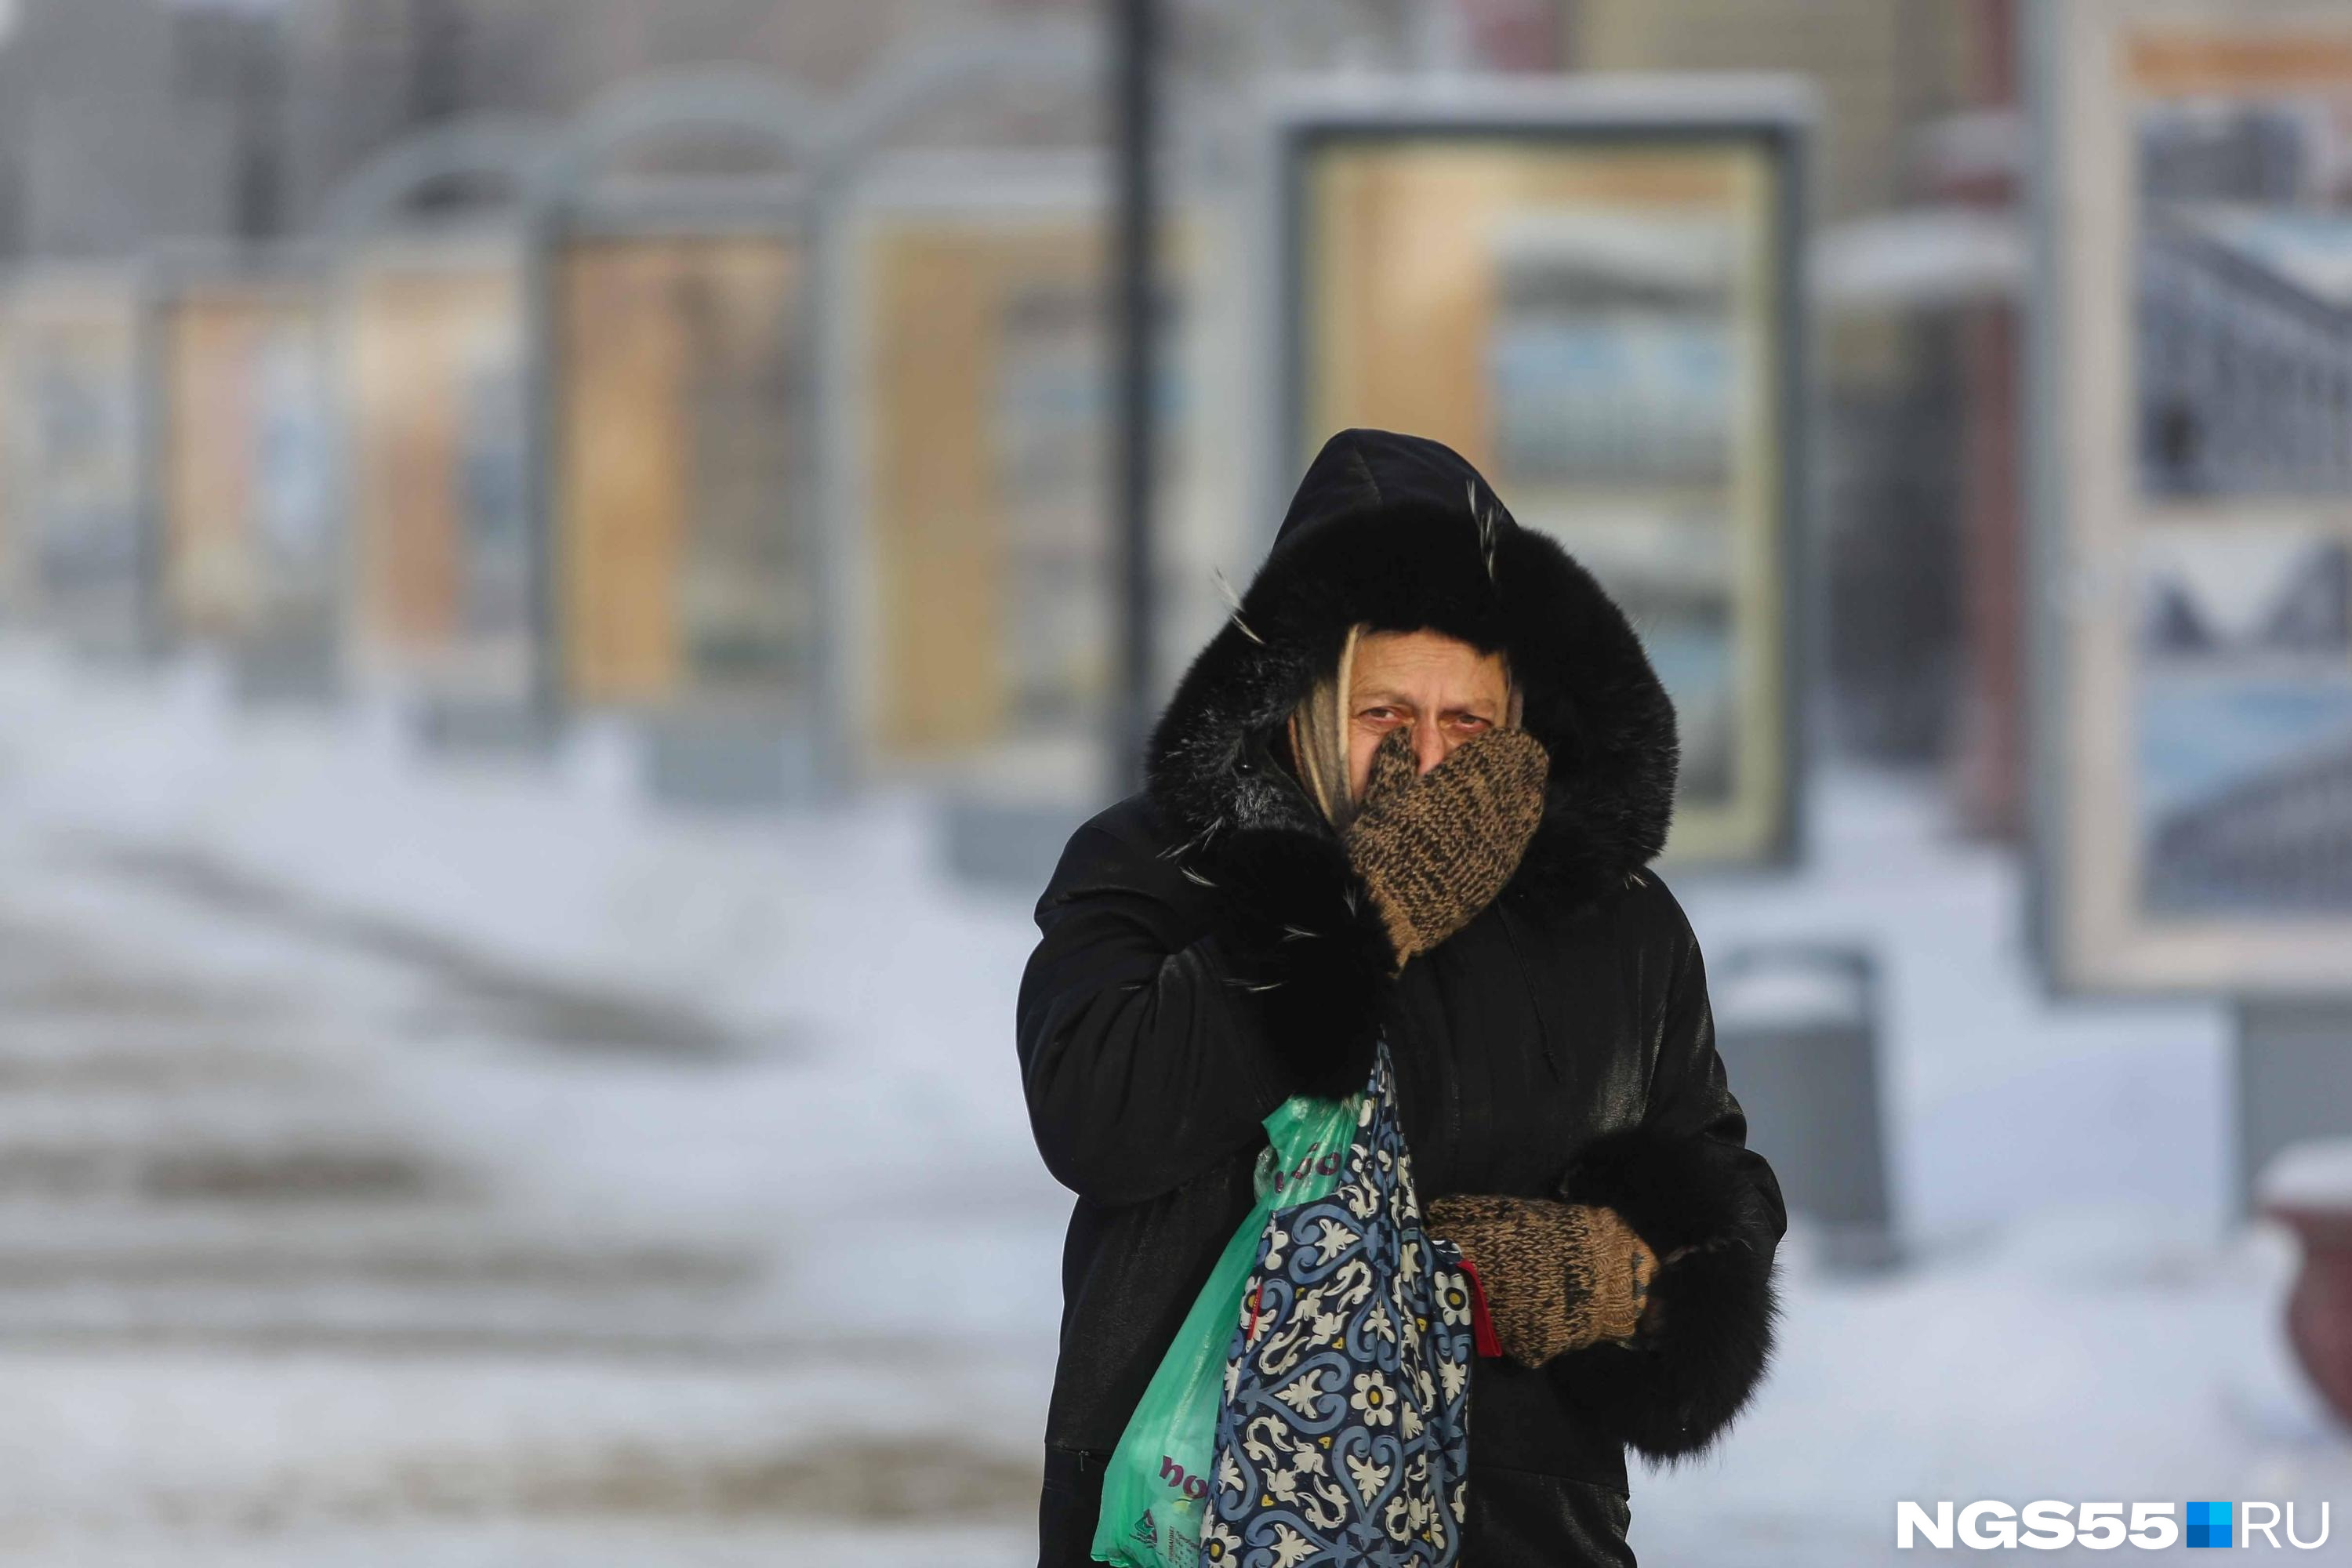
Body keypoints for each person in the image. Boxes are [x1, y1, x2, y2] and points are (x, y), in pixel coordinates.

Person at [1017, 428, 1786, 1566]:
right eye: (1385, 719)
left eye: (1465, 724)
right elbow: (1098, 1113)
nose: (1427, 765)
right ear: (1297, 706)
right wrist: (1354, 918)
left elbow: (1729, 1211)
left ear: (1519, 715)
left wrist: (1606, 1283)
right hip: (1189, 1519)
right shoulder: (1158, 870)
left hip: (1526, 1533)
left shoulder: (1617, 927)